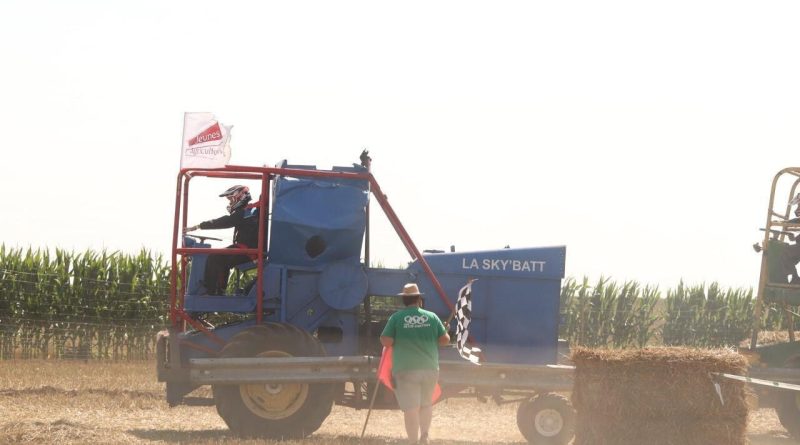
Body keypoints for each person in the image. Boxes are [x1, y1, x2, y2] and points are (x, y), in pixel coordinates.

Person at [380, 283, 450, 444]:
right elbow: (445, 341)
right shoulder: (432, 317)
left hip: (406, 369)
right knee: (426, 404)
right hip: (430, 369)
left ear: (404, 300)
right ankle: (424, 435)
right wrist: (440, 331)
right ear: (419, 299)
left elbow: (386, 341)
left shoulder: (396, 318)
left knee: (411, 408)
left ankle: (413, 441)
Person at [185, 185, 260, 294]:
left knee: (214, 257)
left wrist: (199, 226)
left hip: (247, 251)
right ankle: (219, 290)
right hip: (247, 249)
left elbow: (226, 221)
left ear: (239, 197)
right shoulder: (249, 211)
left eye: (230, 199)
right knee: (223, 258)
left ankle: (210, 292)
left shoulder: (247, 212)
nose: (229, 203)